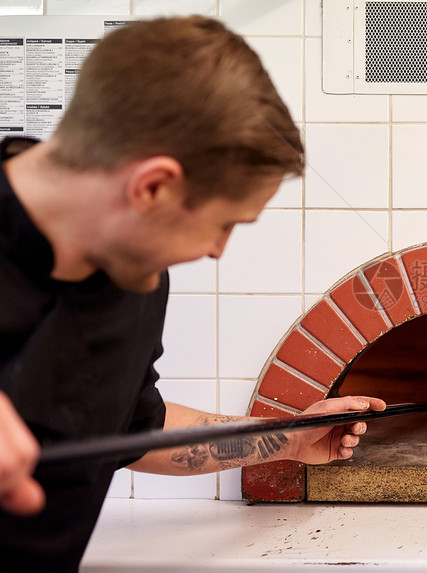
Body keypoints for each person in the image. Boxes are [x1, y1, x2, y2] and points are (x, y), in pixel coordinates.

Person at [0, 16, 385, 571]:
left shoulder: (136, 278)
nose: (217, 250)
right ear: (153, 186)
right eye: (224, 224)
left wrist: (287, 437)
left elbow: (138, 429)